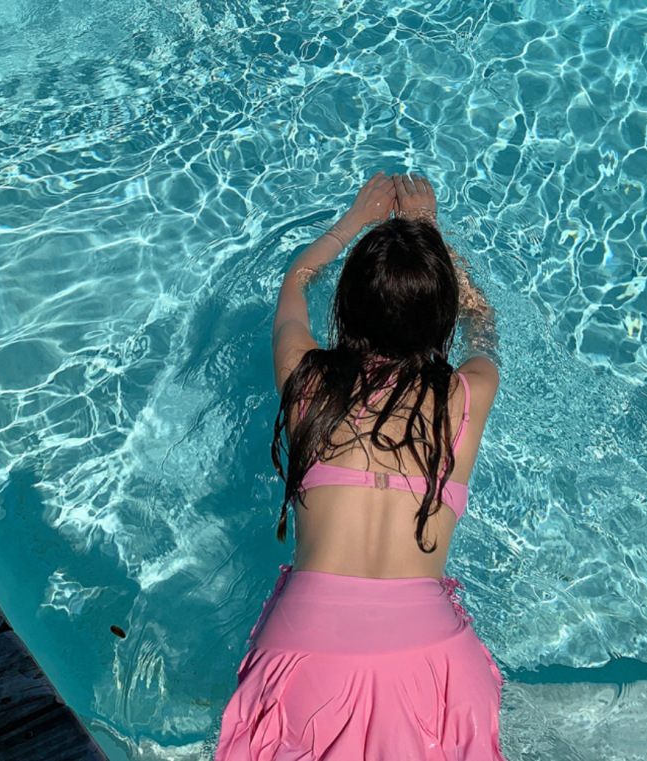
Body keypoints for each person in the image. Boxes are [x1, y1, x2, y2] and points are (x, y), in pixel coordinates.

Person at [215, 171, 505, 760]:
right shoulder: (468, 394)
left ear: (345, 310)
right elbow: (484, 320)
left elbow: (296, 280)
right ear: (441, 318)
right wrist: (428, 232)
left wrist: (355, 221)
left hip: (302, 652)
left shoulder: (306, 382)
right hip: (435, 659)